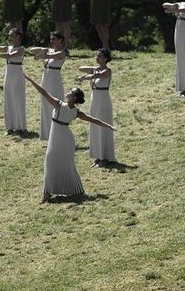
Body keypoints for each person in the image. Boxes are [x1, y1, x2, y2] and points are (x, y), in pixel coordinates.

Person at [24, 75, 116, 203]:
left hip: (65, 140)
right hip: (55, 138)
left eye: (71, 92)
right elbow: (43, 92)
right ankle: (48, 191)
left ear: (74, 98)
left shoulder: (75, 112)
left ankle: (72, 189)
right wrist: (30, 80)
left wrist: (108, 126)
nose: (68, 92)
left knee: (66, 165)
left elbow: (93, 119)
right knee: (50, 162)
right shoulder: (59, 104)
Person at [78, 49, 116, 167]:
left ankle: (105, 157)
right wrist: (94, 68)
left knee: (103, 126)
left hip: (103, 101)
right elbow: (81, 68)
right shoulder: (96, 69)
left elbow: (100, 75)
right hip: (94, 100)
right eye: (96, 56)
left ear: (105, 58)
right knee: (94, 126)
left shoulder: (107, 71)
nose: (97, 57)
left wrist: (87, 76)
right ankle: (98, 156)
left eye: (99, 56)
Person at [29, 32, 67, 140]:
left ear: (60, 40)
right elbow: (32, 50)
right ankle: (46, 134)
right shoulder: (48, 50)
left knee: (54, 105)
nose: (52, 41)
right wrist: (42, 49)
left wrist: (43, 55)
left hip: (55, 81)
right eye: (51, 39)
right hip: (45, 79)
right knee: (45, 105)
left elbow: (51, 56)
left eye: (54, 39)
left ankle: (56, 134)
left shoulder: (62, 53)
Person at [0, 28, 27, 134]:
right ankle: (10, 127)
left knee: (18, 100)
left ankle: (21, 127)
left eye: (12, 36)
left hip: (17, 74)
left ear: (19, 37)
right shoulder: (9, 47)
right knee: (8, 99)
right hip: (9, 74)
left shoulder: (21, 49)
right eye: (9, 36)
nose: (10, 38)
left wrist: (0, 55)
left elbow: (11, 56)